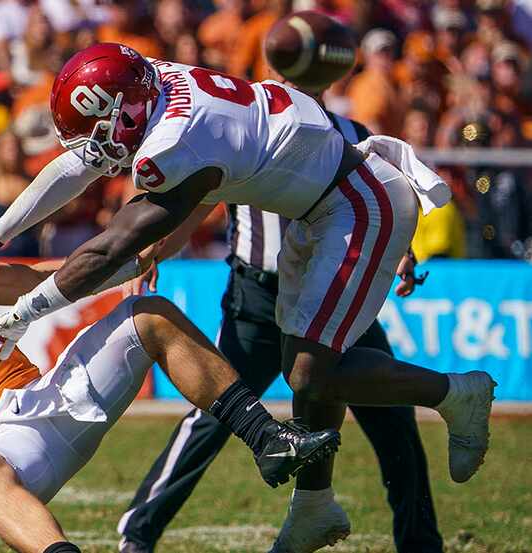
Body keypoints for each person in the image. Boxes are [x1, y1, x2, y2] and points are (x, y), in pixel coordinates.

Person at [0, 42, 496, 551]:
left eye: (98, 134)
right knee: (304, 370)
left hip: (357, 206)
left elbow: (110, 251)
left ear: (127, 113)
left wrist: (20, 313)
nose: (94, 151)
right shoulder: (150, 78)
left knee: (314, 373)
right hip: (317, 213)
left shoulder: (175, 141)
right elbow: (78, 168)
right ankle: (314, 506)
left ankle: (457, 393)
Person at [0, 170, 340, 553]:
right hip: (0, 447)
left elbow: (27, 282)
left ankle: (269, 440)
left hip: (47, 398)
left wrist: (117, 266)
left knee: (148, 314)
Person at [116, 37, 444, 553]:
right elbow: (202, 199)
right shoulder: (250, 119)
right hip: (257, 298)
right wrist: (159, 247)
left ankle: (421, 544)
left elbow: (379, 203)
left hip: (334, 293)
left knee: (395, 425)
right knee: (212, 417)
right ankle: (137, 534)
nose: (298, 83)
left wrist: (403, 255)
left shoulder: (352, 132)